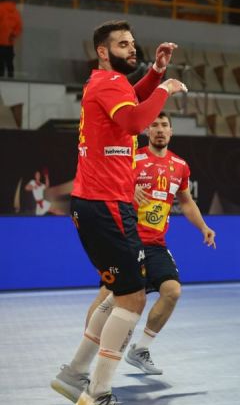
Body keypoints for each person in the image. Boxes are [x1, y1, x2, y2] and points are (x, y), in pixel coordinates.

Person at [49, 20, 186, 405]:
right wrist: (165, 88)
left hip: (108, 204)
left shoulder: (112, 84)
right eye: (123, 44)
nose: (133, 49)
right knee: (131, 299)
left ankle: (74, 374)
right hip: (104, 204)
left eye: (133, 43)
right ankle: (98, 394)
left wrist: (155, 73)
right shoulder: (108, 83)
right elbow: (133, 122)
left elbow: (132, 102)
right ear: (103, 51)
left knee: (117, 296)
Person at [81, 112, 216, 376]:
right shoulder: (132, 159)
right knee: (107, 299)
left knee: (172, 291)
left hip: (155, 244)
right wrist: (129, 191)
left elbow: (186, 202)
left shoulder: (180, 165)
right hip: (126, 241)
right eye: (154, 125)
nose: (160, 130)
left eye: (164, 126)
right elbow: (107, 183)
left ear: (171, 132)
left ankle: (140, 349)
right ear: (146, 131)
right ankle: (84, 360)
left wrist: (203, 227)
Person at [0, 0, 22, 78]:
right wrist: (13, 35)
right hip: (9, 42)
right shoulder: (15, 11)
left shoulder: (0, 8)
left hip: (0, 42)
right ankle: (11, 82)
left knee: (0, 64)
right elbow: (19, 26)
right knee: (9, 63)